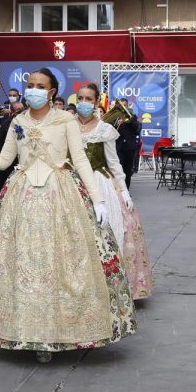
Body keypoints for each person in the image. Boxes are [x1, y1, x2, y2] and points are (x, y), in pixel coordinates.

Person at [0, 68, 136, 363]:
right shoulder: (18, 121)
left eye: (40, 86)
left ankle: (59, 332)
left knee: (61, 263)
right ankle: (26, 330)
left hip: (61, 196)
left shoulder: (66, 120)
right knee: (23, 265)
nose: (32, 90)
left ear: (51, 92)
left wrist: (99, 200)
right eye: (29, 85)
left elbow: (80, 162)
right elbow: (2, 161)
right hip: (21, 199)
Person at [76, 84, 153, 300]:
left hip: (100, 182)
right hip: (72, 183)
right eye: (80, 98)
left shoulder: (105, 130)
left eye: (88, 99)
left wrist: (124, 191)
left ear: (95, 102)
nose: (83, 102)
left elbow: (114, 162)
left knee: (109, 232)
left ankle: (108, 287)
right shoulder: (67, 127)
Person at [0, 100, 23, 190]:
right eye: (19, 110)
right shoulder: (8, 123)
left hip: (23, 161)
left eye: (22, 109)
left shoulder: (28, 123)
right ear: (13, 112)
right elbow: (0, 142)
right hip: (9, 161)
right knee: (6, 186)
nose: (22, 111)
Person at [116, 99, 141, 189]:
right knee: (119, 171)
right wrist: (117, 123)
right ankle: (120, 192)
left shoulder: (133, 117)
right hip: (118, 148)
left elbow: (137, 129)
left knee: (128, 171)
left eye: (125, 105)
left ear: (127, 106)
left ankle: (126, 191)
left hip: (130, 148)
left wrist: (130, 119)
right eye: (121, 105)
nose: (123, 107)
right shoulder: (115, 118)